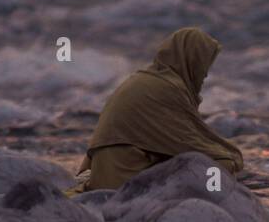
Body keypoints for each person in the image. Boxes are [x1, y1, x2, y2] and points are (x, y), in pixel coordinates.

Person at [76, 27, 243, 192]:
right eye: (204, 63)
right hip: (121, 181)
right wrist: (230, 155)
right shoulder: (168, 88)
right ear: (192, 60)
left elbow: (175, 139)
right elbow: (189, 143)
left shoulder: (146, 79)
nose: (205, 73)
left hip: (107, 172)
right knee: (221, 164)